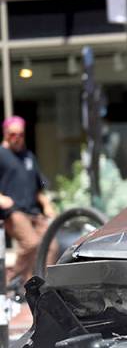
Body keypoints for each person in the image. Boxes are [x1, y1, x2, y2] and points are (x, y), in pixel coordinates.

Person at [0, 116, 57, 285]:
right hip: (14, 211)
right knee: (32, 244)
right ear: (5, 134)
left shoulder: (28, 156)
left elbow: (39, 186)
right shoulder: (1, 154)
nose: (17, 138)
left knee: (51, 245)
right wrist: (1, 198)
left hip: (34, 211)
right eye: (12, 134)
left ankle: (43, 284)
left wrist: (47, 205)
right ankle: (12, 282)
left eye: (20, 134)